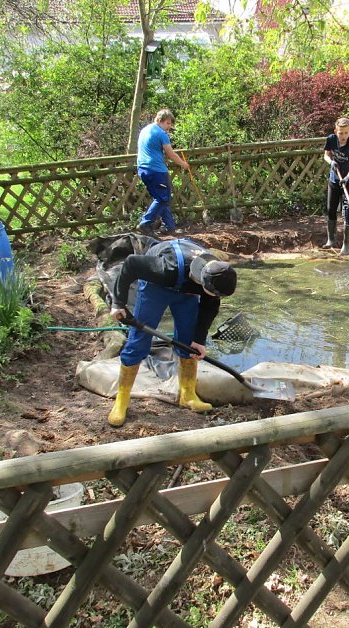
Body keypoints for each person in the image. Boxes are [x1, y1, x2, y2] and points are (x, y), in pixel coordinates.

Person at [107, 238, 237, 426]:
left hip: (188, 291)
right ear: (203, 283)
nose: (216, 298)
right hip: (157, 287)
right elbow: (131, 264)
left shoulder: (216, 277)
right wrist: (118, 303)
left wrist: (199, 340)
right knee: (139, 341)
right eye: (214, 294)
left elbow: (210, 307)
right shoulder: (165, 268)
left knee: (188, 339)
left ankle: (187, 394)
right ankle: (122, 400)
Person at [136, 109, 191, 235]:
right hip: (156, 170)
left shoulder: (145, 130)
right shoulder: (161, 133)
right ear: (159, 120)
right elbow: (171, 154)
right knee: (163, 198)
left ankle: (169, 227)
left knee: (160, 198)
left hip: (143, 169)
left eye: (170, 124)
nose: (169, 127)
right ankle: (145, 224)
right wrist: (183, 164)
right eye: (167, 123)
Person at [323, 117, 349, 255]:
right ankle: (331, 240)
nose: (343, 136)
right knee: (331, 209)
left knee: (346, 211)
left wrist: (346, 178)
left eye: (346, 133)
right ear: (335, 131)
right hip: (334, 179)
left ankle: (345, 245)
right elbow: (326, 155)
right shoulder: (331, 139)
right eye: (340, 133)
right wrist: (331, 162)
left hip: (347, 182)